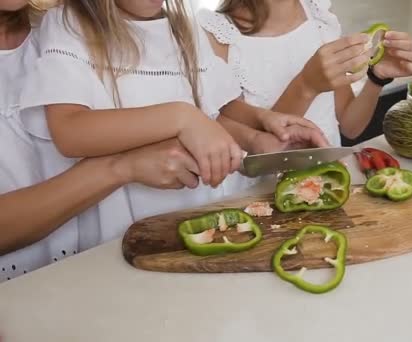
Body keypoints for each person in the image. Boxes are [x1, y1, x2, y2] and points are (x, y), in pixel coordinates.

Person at [0, 0, 326, 282]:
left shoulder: (182, 28)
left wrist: (259, 131)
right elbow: (70, 133)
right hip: (124, 245)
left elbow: (214, 111)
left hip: (205, 226)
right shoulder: (68, 25)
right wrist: (180, 118)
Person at [200, 0, 412, 148]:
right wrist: (306, 85)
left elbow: (350, 127)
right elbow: (257, 150)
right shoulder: (217, 35)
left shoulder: (319, 16)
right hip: (262, 198)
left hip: (329, 184)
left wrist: (377, 77)